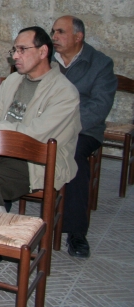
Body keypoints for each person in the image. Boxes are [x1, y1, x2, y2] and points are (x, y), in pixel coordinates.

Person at [0, 26, 81, 271]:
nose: (15, 56)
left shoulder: (65, 92)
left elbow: (36, 134)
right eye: (14, 50)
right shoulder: (15, 80)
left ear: (43, 51)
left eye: (22, 49)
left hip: (34, 162)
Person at [51, 16, 116, 258]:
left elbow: (99, 107)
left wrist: (66, 128)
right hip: (47, 126)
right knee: (10, 145)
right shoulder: (47, 60)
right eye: (53, 32)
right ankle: (0, 212)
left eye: (61, 32)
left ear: (78, 37)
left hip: (84, 130)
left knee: (73, 155)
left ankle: (76, 232)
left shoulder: (100, 64)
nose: (54, 37)